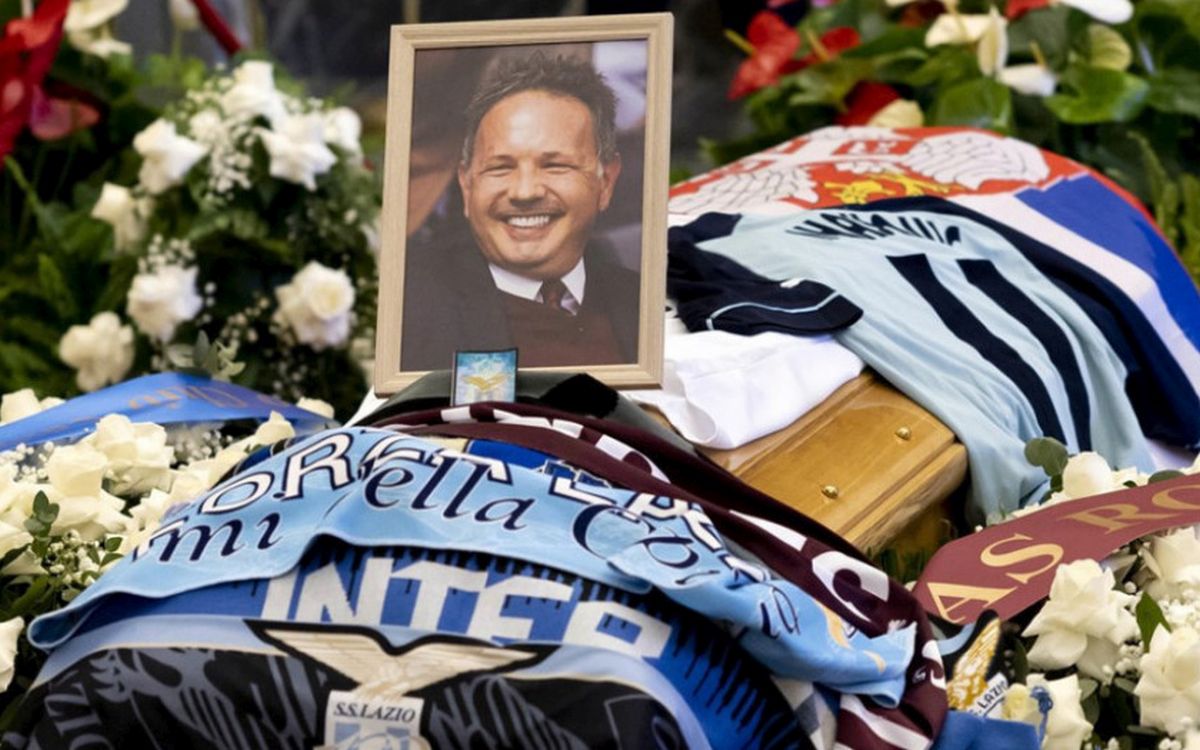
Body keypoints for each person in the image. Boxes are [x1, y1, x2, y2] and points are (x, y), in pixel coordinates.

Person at [401, 50, 641, 372]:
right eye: (500, 168)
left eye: (555, 166)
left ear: (606, 181)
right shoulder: (407, 307)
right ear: (466, 185)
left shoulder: (643, 304)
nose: (524, 192)